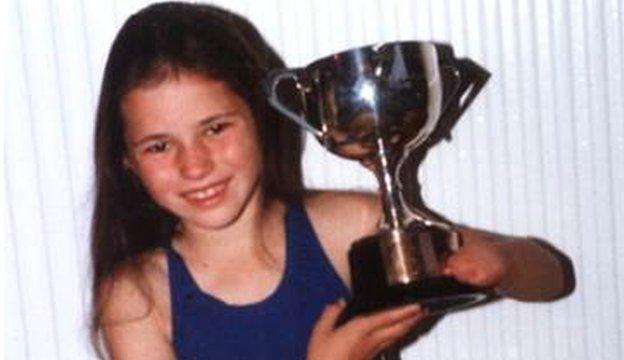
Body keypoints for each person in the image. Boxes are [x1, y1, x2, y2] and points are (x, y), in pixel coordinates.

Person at [90, 2, 574, 359]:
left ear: (262, 119)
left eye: (215, 128)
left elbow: (551, 275)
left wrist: (502, 262)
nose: (194, 166)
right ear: (127, 161)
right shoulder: (138, 296)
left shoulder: (346, 227)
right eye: (159, 145)